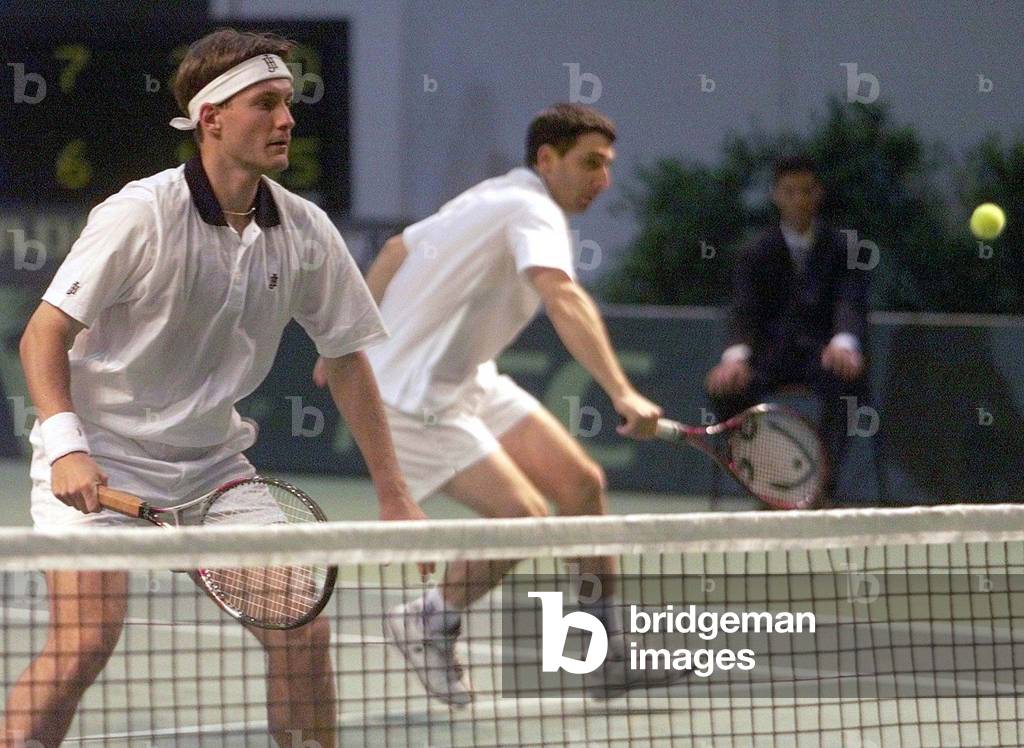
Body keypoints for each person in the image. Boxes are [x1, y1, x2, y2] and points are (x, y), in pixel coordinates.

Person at [1, 29, 427, 748]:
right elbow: (43, 333)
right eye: (266, 103)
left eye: (288, 103)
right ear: (212, 118)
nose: (287, 119)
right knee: (86, 641)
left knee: (302, 632)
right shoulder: (140, 215)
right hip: (98, 458)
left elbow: (348, 359)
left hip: (212, 472)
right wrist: (68, 445)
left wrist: (395, 491)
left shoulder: (304, 230)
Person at [314, 103, 680, 704]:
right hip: (410, 396)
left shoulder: (495, 195)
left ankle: (603, 654)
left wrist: (343, 343)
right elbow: (562, 295)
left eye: (607, 166)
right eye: (590, 163)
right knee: (524, 520)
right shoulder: (533, 208)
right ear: (546, 159)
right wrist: (621, 390)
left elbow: (396, 250)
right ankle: (430, 618)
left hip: (467, 378)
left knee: (582, 486)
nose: (602, 181)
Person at [705, 155, 870, 504]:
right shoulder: (754, 252)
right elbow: (744, 310)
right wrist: (734, 358)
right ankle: (764, 482)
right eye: (789, 191)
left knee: (847, 383)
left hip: (821, 357)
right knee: (727, 389)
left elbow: (849, 301)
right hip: (769, 359)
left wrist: (843, 343)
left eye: (807, 191)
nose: (799, 200)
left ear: (818, 194)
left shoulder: (843, 249)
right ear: (776, 195)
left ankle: (821, 488)